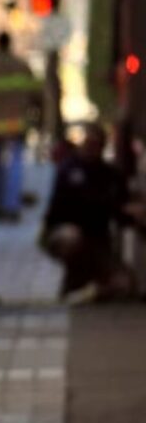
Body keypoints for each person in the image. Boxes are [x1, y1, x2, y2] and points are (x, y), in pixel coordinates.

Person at [43, 123, 141, 301]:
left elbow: (123, 213)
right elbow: (80, 203)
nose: (91, 148)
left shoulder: (110, 174)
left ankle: (92, 289)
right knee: (72, 238)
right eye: (88, 143)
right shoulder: (69, 169)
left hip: (98, 242)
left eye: (96, 144)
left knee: (125, 285)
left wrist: (134, 214)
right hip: (65, 231)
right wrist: (115, 206)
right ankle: (75, 281)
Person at [0, 32, 42, 222]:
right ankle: (11, 206)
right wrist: (38, 118)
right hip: (17, 124)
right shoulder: (21, 65)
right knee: (15, 165)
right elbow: (36, 93)